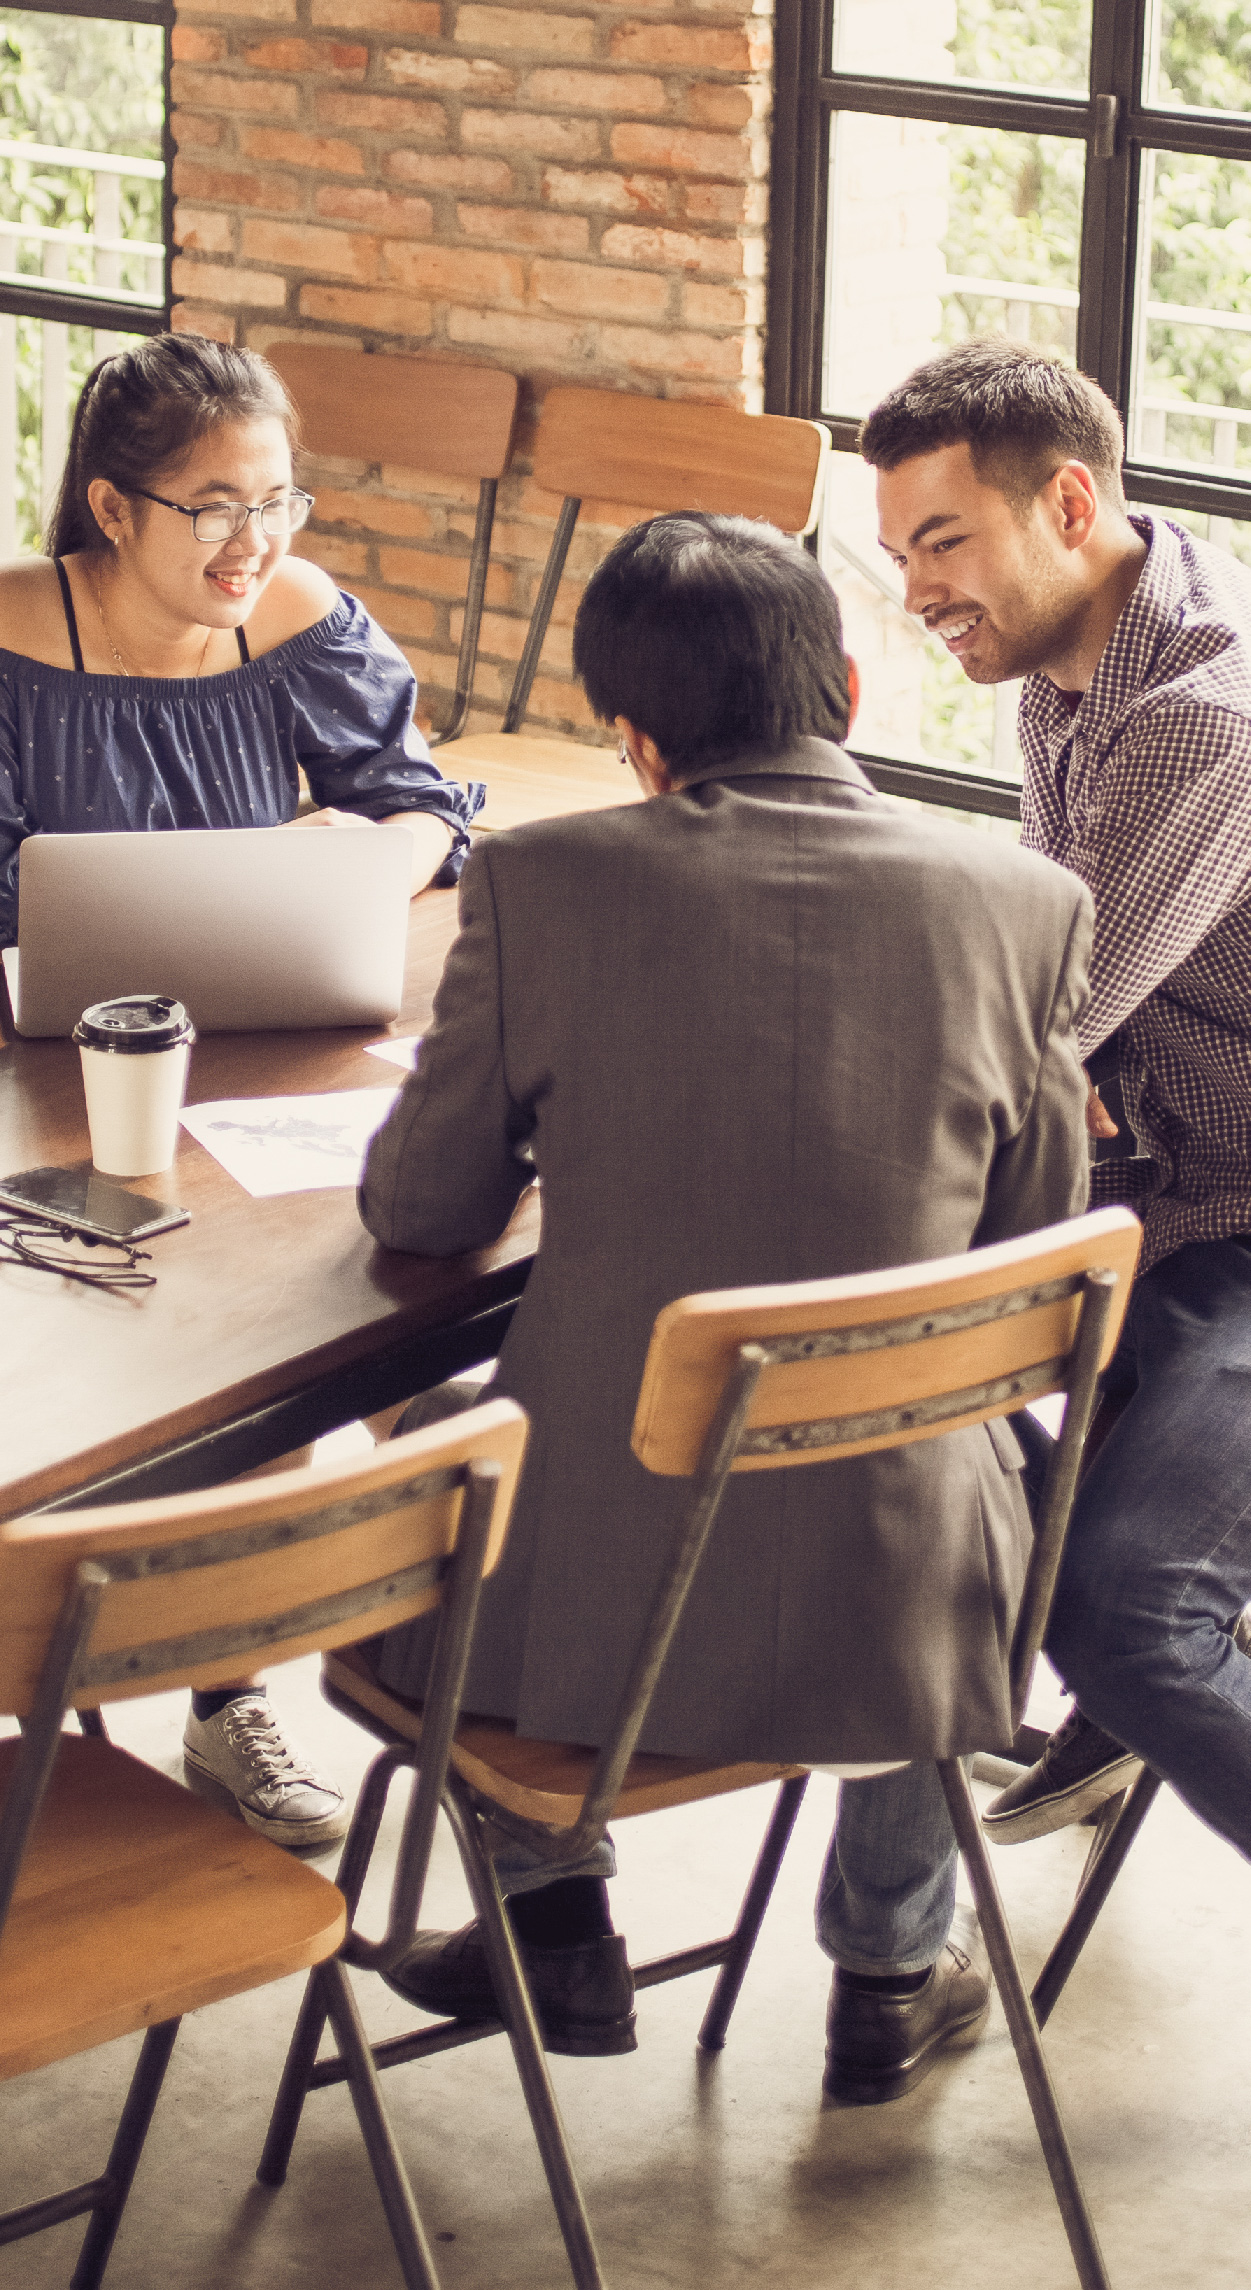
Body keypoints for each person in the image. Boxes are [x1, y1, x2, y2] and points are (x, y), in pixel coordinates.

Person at [357, 511, 1092, 2093]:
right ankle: (891, 1964)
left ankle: (555, 1914)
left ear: (632, 740)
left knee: (424, 1442)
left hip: (594, 1624)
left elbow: (423, 1206)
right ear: (843, 681)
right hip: (906, 1601)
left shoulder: (541, 884)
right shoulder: (1023, 903)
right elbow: (1027, 1240)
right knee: (957, 1452)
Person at [0, 331, 482, 1849]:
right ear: (114, 508)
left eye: (278, 500)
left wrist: (359, 867)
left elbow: (419, 802)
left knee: (311, 1315)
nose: (253, 540)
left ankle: (233, 1692)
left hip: (263, 1052)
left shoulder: (294, 614)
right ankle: (72, 1659)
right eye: (213, 506)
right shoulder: (12, 632)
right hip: (33, 1074)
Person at [861, 337, 1251, 1859]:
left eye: (943, 541)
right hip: (1155, 1190)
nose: (915, 591)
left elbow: (1049, 1007)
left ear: (1068, 501)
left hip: (1232, 1222)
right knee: (908, 1451)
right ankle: (895, 1947)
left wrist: (1046, 1051)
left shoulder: (1201, 719)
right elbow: (1055, 985)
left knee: (1126, 1609)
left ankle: (1131, 1671)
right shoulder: (1078, 658)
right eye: (899, 552)